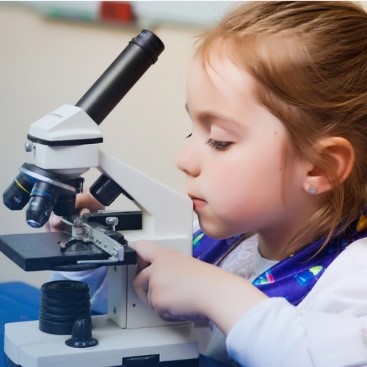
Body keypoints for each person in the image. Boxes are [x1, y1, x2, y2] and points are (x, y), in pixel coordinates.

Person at [50, 2, 367, 366]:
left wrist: (214, 292)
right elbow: (128, 318)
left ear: (321, 167)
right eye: (192, 131)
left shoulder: (355, 276)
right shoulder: (221, 243)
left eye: (219, 140)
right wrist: (86, 258)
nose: (183, 159)